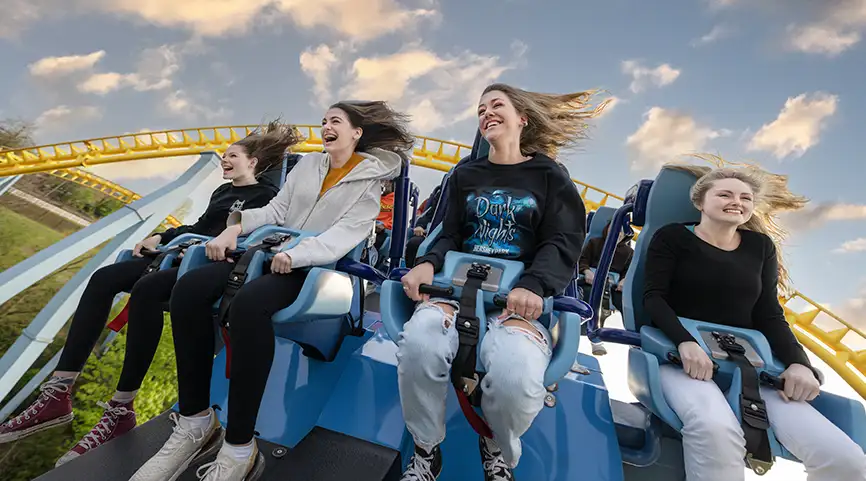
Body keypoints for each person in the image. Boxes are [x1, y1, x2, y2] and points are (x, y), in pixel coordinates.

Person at [129, 101, 411, 481]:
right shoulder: (310, 165)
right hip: (267, 253)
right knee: (189, 289)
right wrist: (237, 226)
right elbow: (277, 211)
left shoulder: (369, 183)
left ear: (357, 133)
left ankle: (240, 447)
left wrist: (297, 255)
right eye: (324, 121)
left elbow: (342, 237)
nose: (326, 126)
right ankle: (195, 420)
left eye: (336, 122)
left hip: (312, 268)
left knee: (248, 307)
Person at [0, 123, 301, 465]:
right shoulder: (222, 193)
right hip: (179, 255)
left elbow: (249, 233)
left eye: (232, 155)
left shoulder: (266, 197)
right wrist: (162, 234)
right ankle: (58, 392)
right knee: (103, 279)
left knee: (146, 291)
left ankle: (120, 408)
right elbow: (199, 226)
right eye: (224, 155)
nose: (224, 160)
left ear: (255, 162)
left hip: (210, 265)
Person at [398, 83, 606, 481]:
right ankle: (426, 448)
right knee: (420, 343)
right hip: (453, 289)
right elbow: (448, 232)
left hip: (516, 299)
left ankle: (495, 442)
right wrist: (427, 262)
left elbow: (562, 240)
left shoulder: (550, 177)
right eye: (481, 109)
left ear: (522, 119)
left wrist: (534, 283)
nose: (487, 113)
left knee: (516, 376)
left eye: (497, 105)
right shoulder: (465, 174)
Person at [643, 164, 866, 481]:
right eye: (724, 194)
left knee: (843, 458)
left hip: (752, 370)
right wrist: (685, 342)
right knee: (716, 431)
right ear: (700, 202)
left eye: (745, 197)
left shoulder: (760, 248)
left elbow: (769, 313)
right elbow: (653, 297)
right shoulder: (673, 237)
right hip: (680, 358)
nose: (737, 201)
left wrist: (798, 363)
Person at [578, 220, 633, 355]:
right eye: (614, 229)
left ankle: (634, 337)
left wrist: (624, 280)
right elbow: (582, 260)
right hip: (592, 279)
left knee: (627, 302)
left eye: (621, 232)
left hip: (613, 283)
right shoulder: (594, 243)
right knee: (592, 296)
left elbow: (629, 270)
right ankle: (593, 334)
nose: (617, 234)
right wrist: (586, 271)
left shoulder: (629, 252)